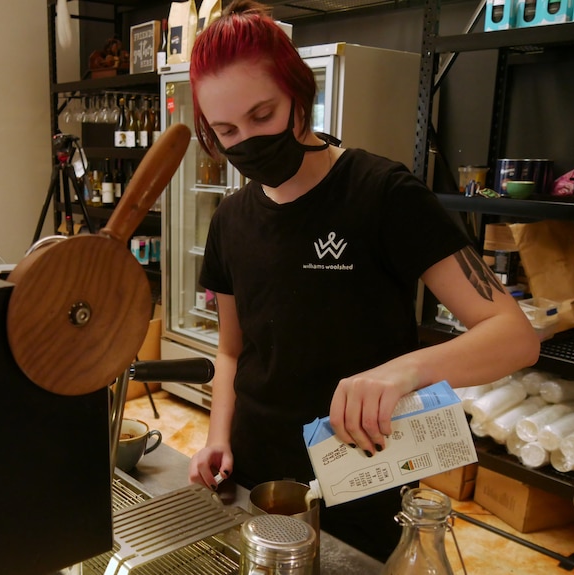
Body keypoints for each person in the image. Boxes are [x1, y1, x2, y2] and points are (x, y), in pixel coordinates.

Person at [186, 0, 541, 562]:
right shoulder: (231, 218)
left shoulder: (383, 195)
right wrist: (217, 435)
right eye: (226, 130)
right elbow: (232, 352)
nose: (247, 141)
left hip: (364, 471)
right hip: (255, 471)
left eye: (262, 115)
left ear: (299, 94)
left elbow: (513, 335)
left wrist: (402, 372)